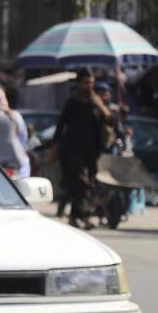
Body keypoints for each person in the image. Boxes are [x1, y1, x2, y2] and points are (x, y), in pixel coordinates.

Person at [52, 69, 112, 230]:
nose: (89, 86)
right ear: (79, 83)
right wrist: (55, 145)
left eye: (91, 82)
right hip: (73, 150)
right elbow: (61, 124)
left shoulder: (97, 102)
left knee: (87, 184)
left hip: (92, 151)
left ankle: (75, 215)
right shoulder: (72, 102)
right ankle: (84, 216)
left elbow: (108, 122)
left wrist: (110, 113)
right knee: (81, 183)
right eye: (86, 82)